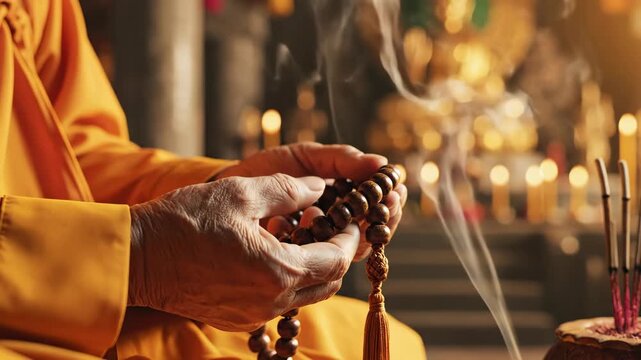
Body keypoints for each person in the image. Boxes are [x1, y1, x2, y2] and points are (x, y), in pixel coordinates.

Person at [0, 0, 426, 359]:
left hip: (92, 286)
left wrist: (216, 186)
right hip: (29, 309)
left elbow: (72, 150)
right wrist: (142, 259)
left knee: (384, 343)